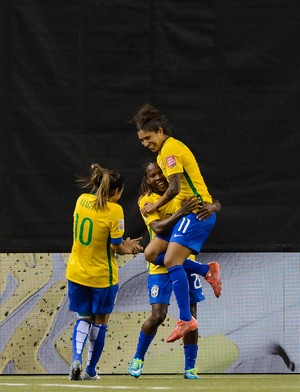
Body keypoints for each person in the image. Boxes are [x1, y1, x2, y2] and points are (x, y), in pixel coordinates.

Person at [132, 104, 221, 343]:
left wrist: (156, 206)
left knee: (171, 260)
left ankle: (186, 318)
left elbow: (174, 188)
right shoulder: (163, 153)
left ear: (160, 131)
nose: (145, 143)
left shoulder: (170, 150)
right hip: (193, 212)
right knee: (151, 252)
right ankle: (206, 271)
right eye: (141, 140)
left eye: (148, 138)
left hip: (196, 213)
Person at [128, 160, 221, 379]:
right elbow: (158, 227)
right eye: (152, 175)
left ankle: (190, 368)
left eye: (160, 172)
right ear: (147, 180)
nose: (158, 177)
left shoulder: (179, 191)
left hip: (182, 258)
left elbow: (213, 201)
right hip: (160, 266)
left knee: (192, 315)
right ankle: (138, 358)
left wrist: (213, 207)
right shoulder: (147, 200)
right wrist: (182, 213)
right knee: (158, 315)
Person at [66, 163, 143, 381]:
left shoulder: (81, 201)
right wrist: (127, 248)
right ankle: (90, 370)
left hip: (77, 272)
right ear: (117, 191)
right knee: (100, 321)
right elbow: (117, 247)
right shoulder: (115, 210)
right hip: (102, 276)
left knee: (83, 317)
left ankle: (76, 358)